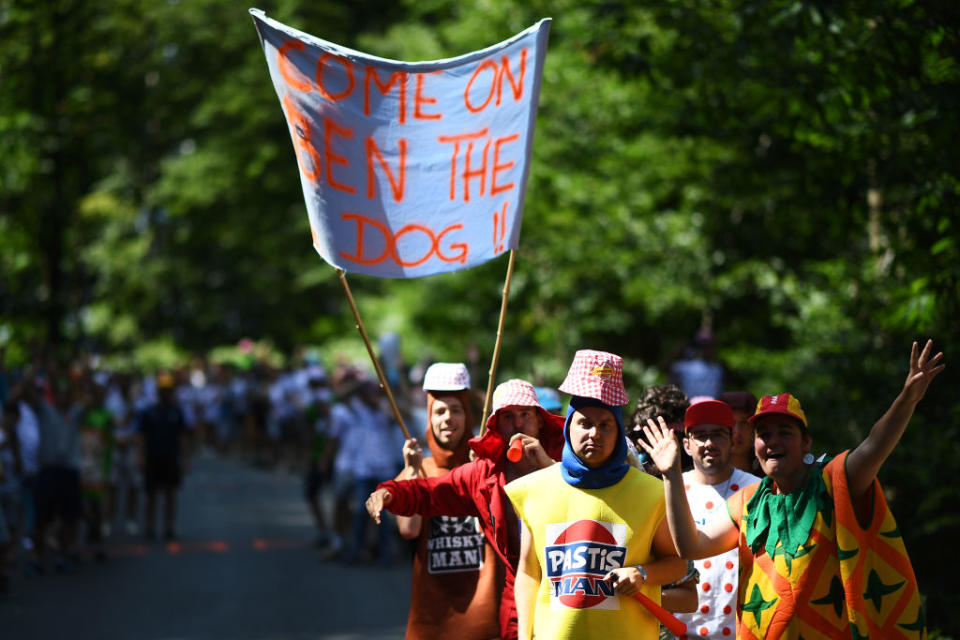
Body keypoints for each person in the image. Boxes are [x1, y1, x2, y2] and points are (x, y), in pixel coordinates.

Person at [639, 340, 943, 639]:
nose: (772, 441)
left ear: (806, 442)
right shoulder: (748, 501)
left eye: (784, 432)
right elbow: (691, 548)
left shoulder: (834, 481)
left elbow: (874, 446)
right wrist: (671, 475)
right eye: (763, 433)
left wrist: (907, 399)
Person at [366, 378, 566, 640]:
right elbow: (431, 492)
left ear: (540, 420)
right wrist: (389, 492)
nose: (518, 425)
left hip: (569, 598)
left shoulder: (568, 464)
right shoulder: (483, 475)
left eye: (525, 414)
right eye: (507, 416)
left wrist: (550, 469)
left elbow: (594, 504)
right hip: (517, 605)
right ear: (496, 426)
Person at [506, 350, 686, 640]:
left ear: (618, 431)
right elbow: (528, 574)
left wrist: (642, 573)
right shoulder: (534, 489)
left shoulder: (652, 492)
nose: (594, 434)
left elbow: (678, 563)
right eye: (584, 423)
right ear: (568, 426)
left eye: (605, 424)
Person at [392, 362, 500, 639]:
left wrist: (486, 473)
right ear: (429, 418)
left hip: (486, 619)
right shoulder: (418, 470)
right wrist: (414, 472)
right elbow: (408, 530)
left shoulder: (488, 466)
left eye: (456, 410)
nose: (448, 418)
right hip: (432, 622)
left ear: (468, 416)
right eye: (439, 411)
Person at [675, 399, 760, 638]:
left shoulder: (756, 490)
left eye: (718, 435)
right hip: (679, 633)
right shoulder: (671, 492)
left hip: (740, 633)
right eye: (700, 435)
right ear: (687, 445)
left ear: (732, 440)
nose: (709, 443)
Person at [137, 371, 191, 541]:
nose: (166, 393)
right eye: (163, 390)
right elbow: (141, 436)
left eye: (169, 390)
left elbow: (183, 438)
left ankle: (169, 527)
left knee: (170, 493)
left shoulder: (177, 412)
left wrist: (185, 460)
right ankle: (149, 526)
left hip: (171, 458)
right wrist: (141, 456)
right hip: (153, 457)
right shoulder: (149, 412)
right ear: (158, 392)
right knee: (151, 494)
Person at [719, 390, 761, 475]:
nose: (737, 431)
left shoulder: (770, 479)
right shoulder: (700, 477)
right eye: (730, 422)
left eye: (744, 423)